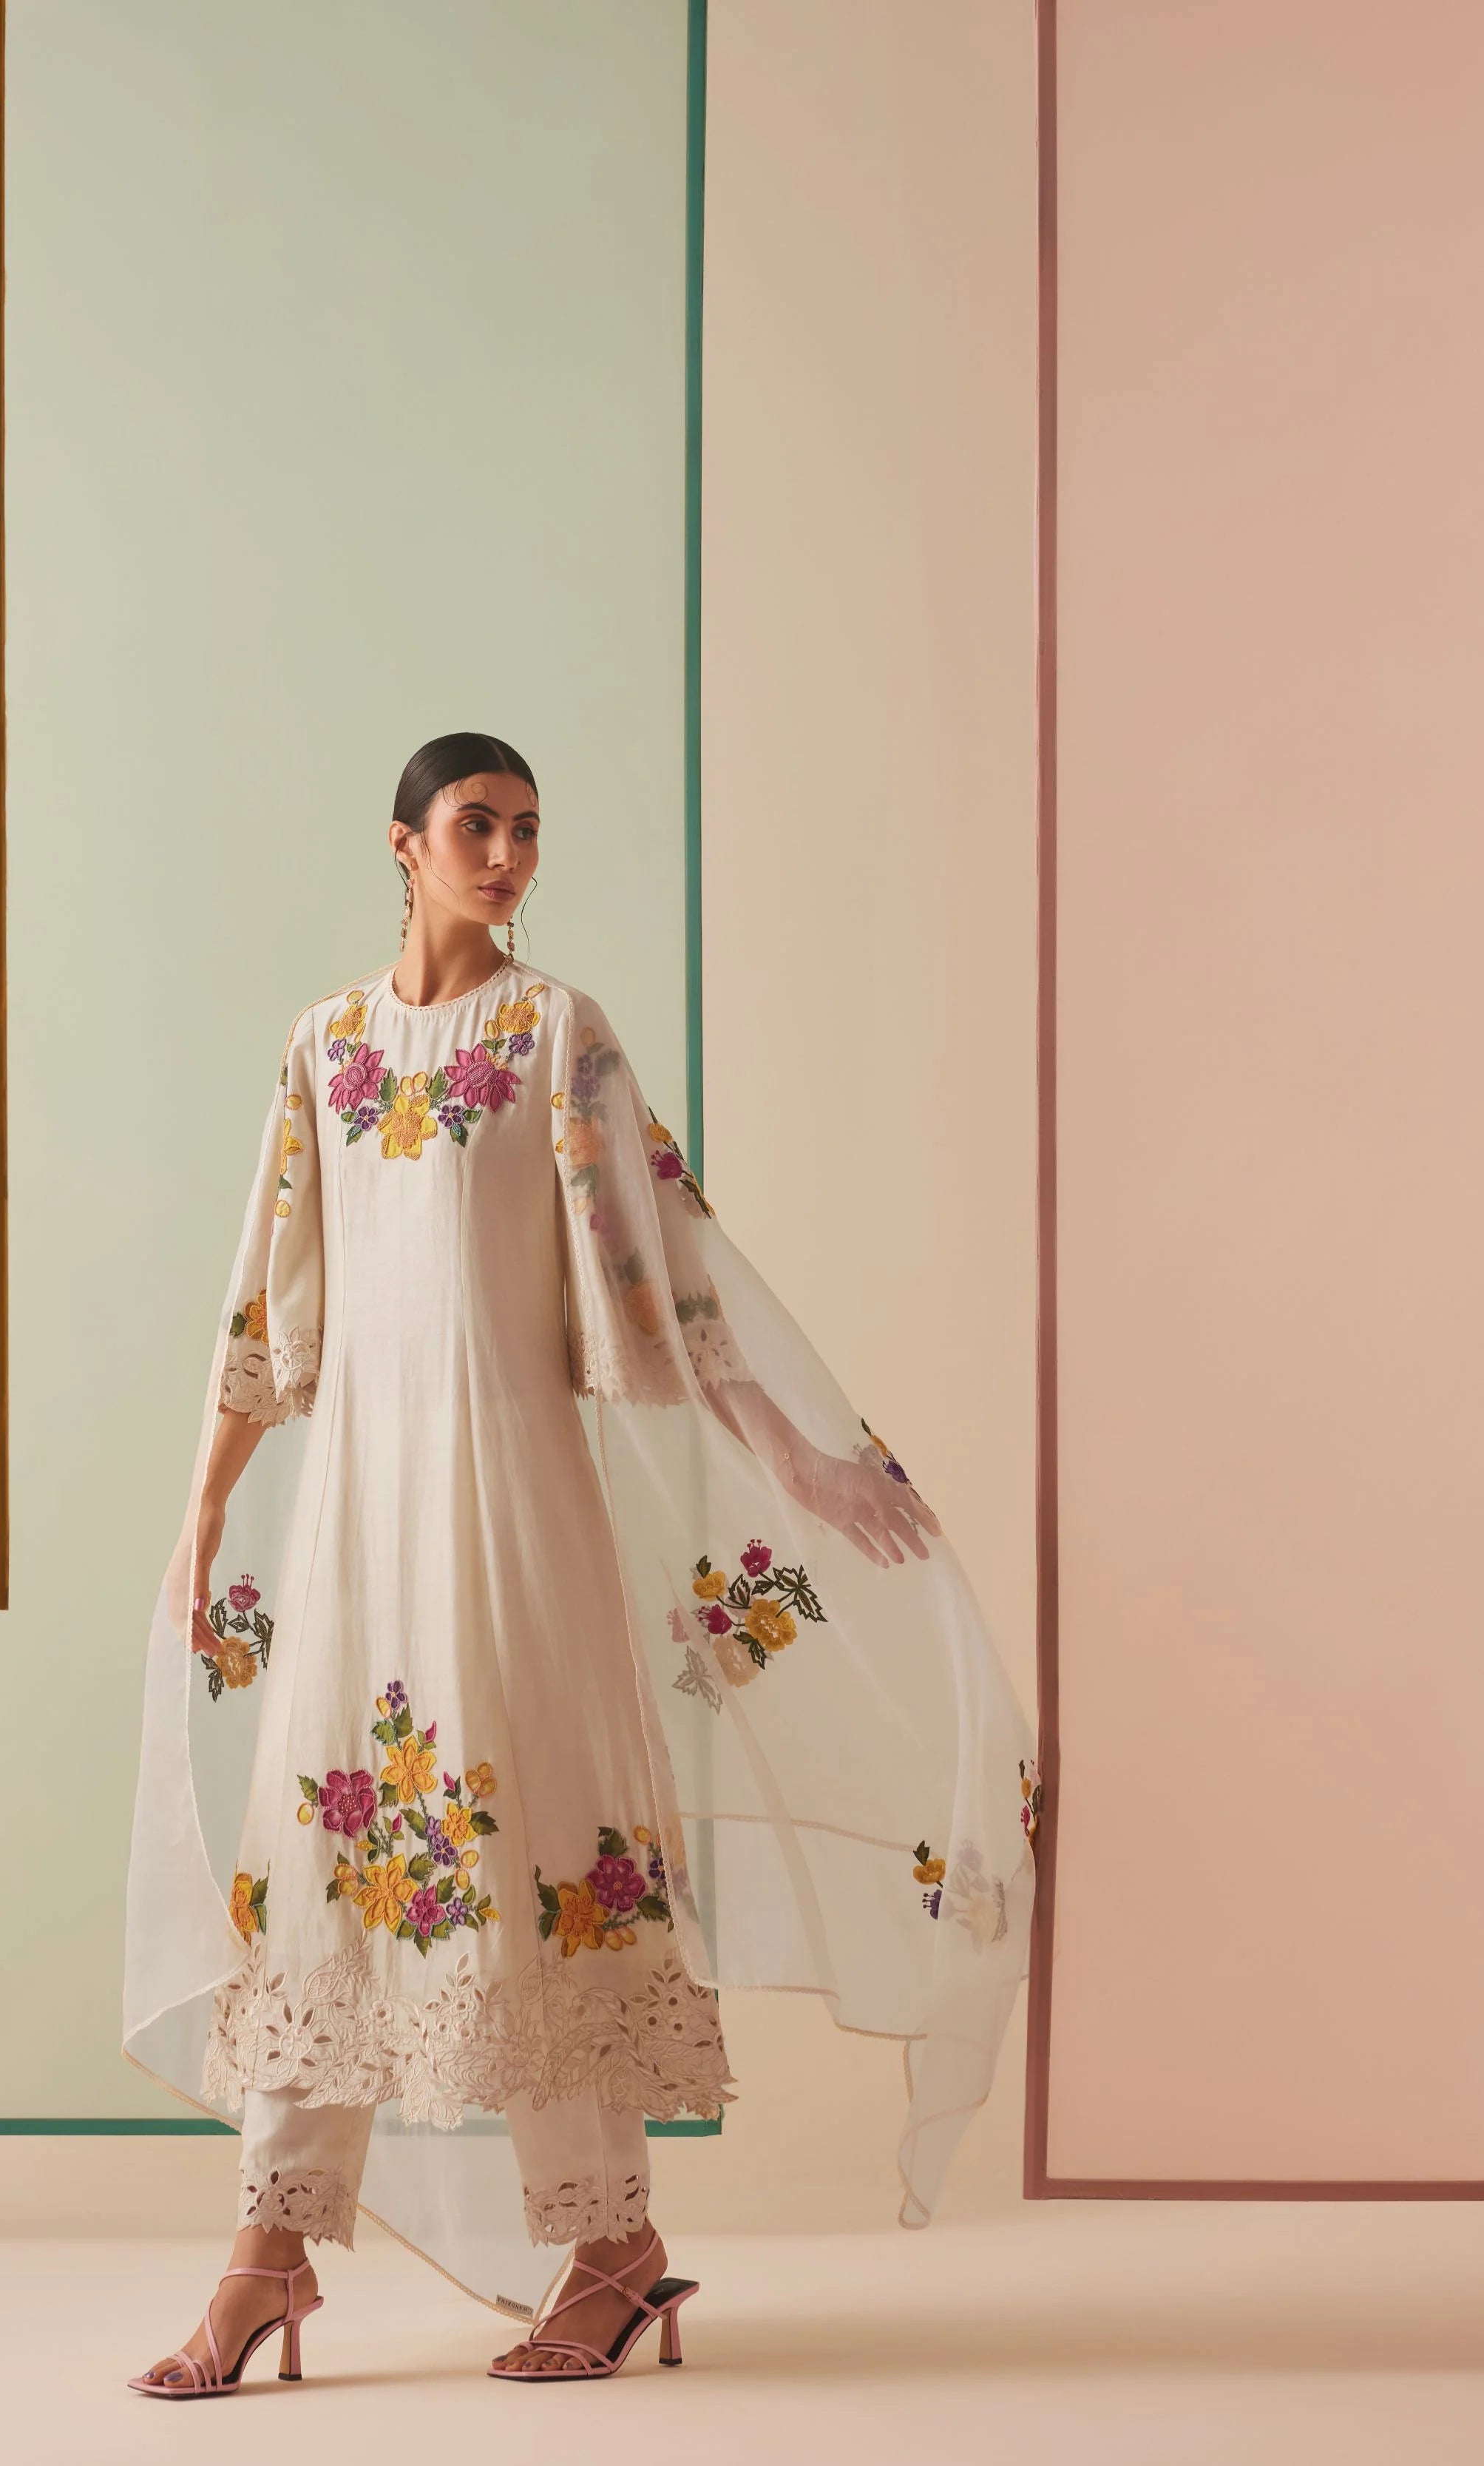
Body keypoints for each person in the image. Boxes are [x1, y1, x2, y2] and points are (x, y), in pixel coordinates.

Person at [126, 733, 1037, 2394]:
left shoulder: (558, 1034)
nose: (506, 854)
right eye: (475, 824)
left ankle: (610, 2243)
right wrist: (201, 1511)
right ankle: (268, 2247)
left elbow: (657, 1272)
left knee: (541, 1838)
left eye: (528, 830)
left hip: (513, 1501)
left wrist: (796, 1458)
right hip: (357, 1511)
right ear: (402, 842)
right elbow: (265, 1295)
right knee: (330, 1845)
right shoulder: (325, 1047)